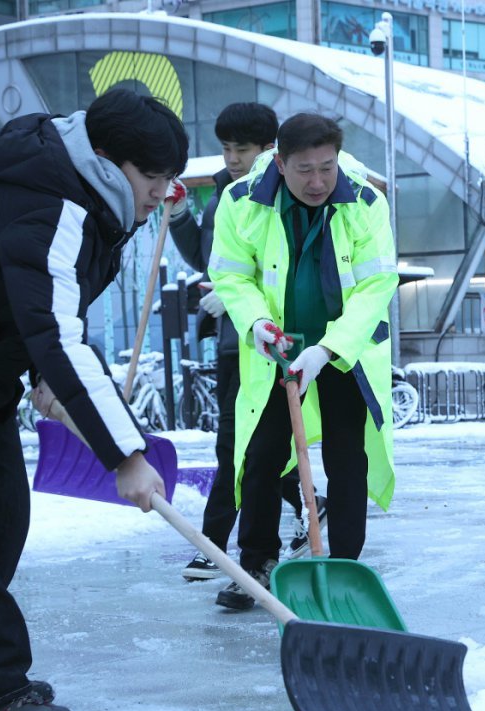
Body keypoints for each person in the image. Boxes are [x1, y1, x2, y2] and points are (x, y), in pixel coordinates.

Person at [0, 89, 188, 711]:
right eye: (153, 176)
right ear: (108, 159)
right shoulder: (53, 197)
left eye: (170, 178)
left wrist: (40, 376)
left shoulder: (80, 192)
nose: (163, 192)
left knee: (2, 522)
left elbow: (35, 312)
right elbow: (57, 328)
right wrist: (125, 457)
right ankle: (0, 687)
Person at [208, 113, 398, 610]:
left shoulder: (365, 202)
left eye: (326, 168)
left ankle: (346, 565)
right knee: (262, 454)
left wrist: (329, 349)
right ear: (279, 162)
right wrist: (255, 324)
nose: (317, 181)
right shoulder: (240, 202)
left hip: (342, 351)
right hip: (278, 349)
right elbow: (232, 276)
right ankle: (257, 563)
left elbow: (377, 285)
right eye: (304, 170)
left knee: (346, 457)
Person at [168, 102, 326, 583]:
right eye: (226, 148)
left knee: (240, 446)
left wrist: (240, 301)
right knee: (251, 449)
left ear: (270, 152)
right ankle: (308, 504)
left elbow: (273, 265)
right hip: (233, 340)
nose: (233, 158)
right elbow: (206, 256)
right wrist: (178, 214)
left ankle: (217, 544)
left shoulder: (273, 195)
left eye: (243, 149)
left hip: (265, 342)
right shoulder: (224, 196)